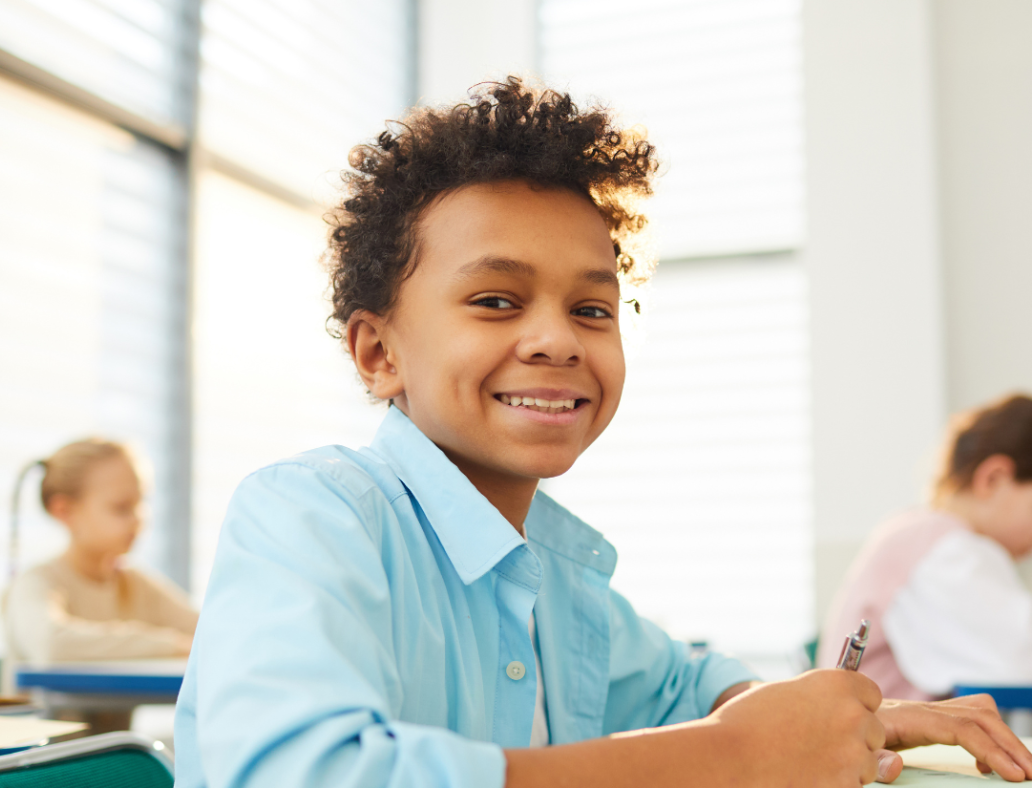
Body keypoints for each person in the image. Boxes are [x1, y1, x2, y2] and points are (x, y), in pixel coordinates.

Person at [174, 79, 1032, 788]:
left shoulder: (555, 574)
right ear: (377, 351)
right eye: (496, 301)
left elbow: (681, 686)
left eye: (592, 309)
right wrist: (734, 757)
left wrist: (843, 719)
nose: (557, 339)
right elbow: (303, 773)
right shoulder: (314, 516)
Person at [820, 394, 1032, 701]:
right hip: (882, 744)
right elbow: (1018, 657)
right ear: (993, 479)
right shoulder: (945, 551)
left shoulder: (918, 535)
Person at [1, 439, 197, 706]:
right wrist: (171, 645)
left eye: (141, 502)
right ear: (64, 511)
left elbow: (205, 627)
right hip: (43, 746)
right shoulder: (35, 583)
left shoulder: (135, 583)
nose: (138, 518)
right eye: (121, 507)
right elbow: (52, 645)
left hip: (111, 745)